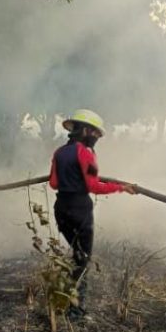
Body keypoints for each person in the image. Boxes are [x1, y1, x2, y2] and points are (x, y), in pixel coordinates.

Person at [49, 109, 137, 316]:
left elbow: (53, 183)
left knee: (76, 253)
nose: (97, 137)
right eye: (96, 133)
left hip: (61, 209)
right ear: (85, 130)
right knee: (83, 259)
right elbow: (94, 186)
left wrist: (70, 177)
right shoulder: (86, 153)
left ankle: (66, 296)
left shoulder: (59, 152)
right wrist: (121, 188)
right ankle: (76, 310)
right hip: (80, 211)